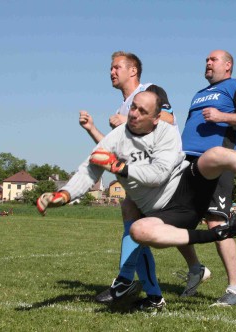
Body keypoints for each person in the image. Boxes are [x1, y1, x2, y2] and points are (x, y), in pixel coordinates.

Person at [37, 91, 236, 310]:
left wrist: (122, 168)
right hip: (166, 212)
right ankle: (218, 233)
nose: (134, 114)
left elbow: (158, 175)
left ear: (156, 118)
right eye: (133, 108)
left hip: (185, 186)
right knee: (139, 231)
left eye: (142, 111)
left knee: (215, 154)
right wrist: (63, 195)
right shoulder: (115, 139)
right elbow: (90, 169)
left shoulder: (166, 133)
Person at [78, 51, 177, 307]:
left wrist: (127, 119)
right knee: (134, 225)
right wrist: (92, 129)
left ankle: (125, 282)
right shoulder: (124, 107)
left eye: (116, 67)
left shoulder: (149, 91)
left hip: (158, 175)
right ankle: (152, 295)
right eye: (110, 68)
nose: (111, 72)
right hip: (138, 178)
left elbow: (169, 118)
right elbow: (110, 149)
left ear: (133, 70)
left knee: (134, 219)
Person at [179, 49, 236, 306]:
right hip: (187, 164)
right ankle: (196, 269)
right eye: (206, 60)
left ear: (228, 65)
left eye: (213, 59)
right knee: (175, 222)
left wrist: (223, 116)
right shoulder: (198, 94)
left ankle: (235, 289)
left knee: (216, 224)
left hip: (218, 164)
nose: (207, 62)